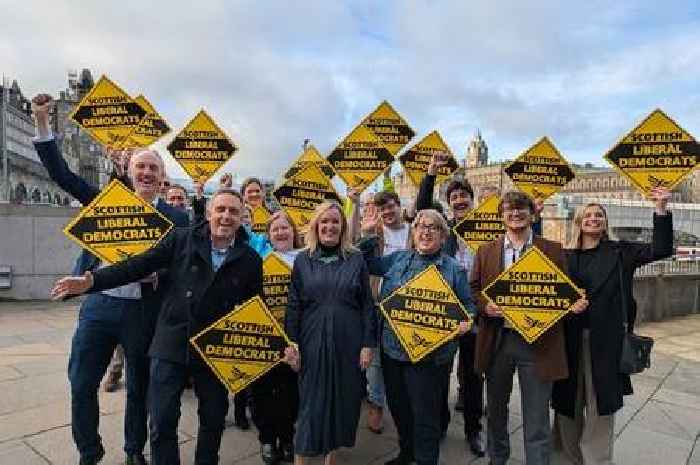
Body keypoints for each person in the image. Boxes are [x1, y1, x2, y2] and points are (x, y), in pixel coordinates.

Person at [51, 188, 263, 465]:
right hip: (171, 343)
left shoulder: (250, 260)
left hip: (214, 350)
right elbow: (137, 265)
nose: (226, 216)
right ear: (209, 212)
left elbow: (256, 313)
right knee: (162, 420)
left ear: (242, 218)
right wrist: (92, 281)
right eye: (220, 209)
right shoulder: (180, 239)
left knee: (213, 420)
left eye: (233, 211)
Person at [32, 93, 189, 465]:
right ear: (130, 172)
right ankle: (89, 451)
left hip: (144, 312)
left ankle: (134, 451)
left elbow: (181, 265)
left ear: (163, 179)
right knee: (81, 384)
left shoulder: (178, 219)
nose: (147, 173)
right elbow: (62, 176)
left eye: (154, 168)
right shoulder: (105, 201)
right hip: (99, 306)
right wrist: (42, 122)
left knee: (139, 387)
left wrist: (159, 271)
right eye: (142, 167)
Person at [552, 187, 673, 465]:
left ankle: (596, 459)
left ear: (605, 223)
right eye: (588, 215)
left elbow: (662, 249)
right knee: (566, 402)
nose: (594, 219)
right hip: (567, 338)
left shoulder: (621, 252)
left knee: (600, 405)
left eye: (599, 215)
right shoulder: (563, 256)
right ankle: (568, 457)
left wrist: (661, 209)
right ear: (579, 221)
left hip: (606, 341)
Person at [470, 190, 588, 465]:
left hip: (539, 343)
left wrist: (571, 305)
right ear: (501, 217)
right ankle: (497, 459)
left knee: (536, 417)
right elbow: (473, 290)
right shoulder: (487, 250)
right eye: (509, 209)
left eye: (521, 208)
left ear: (531, 214)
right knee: (496, 412)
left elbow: (563, 293)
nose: (515, 213)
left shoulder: (552, 250)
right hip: (498, 340)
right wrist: (485, 306)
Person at [359, 207, 474, 465]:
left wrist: (466, 321)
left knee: (425, 416)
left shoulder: (454, 269)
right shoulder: (397, 259)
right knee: (400, 410)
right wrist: (367, 234)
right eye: (420, 226)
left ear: (443, 237)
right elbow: (363, 261)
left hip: (430, 359)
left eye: (433, 227)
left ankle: (425, 459)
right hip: (392, 351)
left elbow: (468, 306)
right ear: (413, 233)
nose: (425, 231)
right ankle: (406, 452)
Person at [284, 201, 375, 465]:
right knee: (310, 404)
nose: (330, 226)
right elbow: (293, 305)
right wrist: (292, 343)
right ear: (316, 226)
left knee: (342, 402)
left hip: (348, 340)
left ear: (343, 226)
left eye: (335, 221)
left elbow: (367, 304)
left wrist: (368, 343)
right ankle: (302, 459)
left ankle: (330, 459)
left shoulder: (356, 259)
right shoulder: (303, 259)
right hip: (312, 340)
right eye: (324, 221)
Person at [416, 152, 484, 455]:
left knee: (472, 374)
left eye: (463, 196)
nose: (458, 200)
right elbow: (422, 208)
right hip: (442, 306)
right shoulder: (444, 229)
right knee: (440, 372)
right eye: (453, 196)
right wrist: (430, 173)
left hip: (473, 308)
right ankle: (440, 424)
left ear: (471, 199)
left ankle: (473, 430)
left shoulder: (487, 228)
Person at [251, 211, 303, 464]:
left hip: (294, 337)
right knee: (262, 392)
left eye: (286, 228)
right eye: (276, 229)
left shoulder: (305, 260)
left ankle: (288, 437)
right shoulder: (258, 259)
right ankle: (267, 440)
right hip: (264, 336)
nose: (281, 232)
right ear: (268, 235)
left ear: (294, 232)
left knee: (291, 393)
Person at [360, 191, 411, 435]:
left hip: (406, 306)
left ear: (399, 206)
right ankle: (376, 404)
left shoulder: (413, 231)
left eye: (391, 207)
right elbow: (357, 253)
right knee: (375, 360)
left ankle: (402, 404)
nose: (387, 213)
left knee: (402, 357)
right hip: (376, 302)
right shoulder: (375, 233)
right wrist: (367, 232)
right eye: (382, 209)